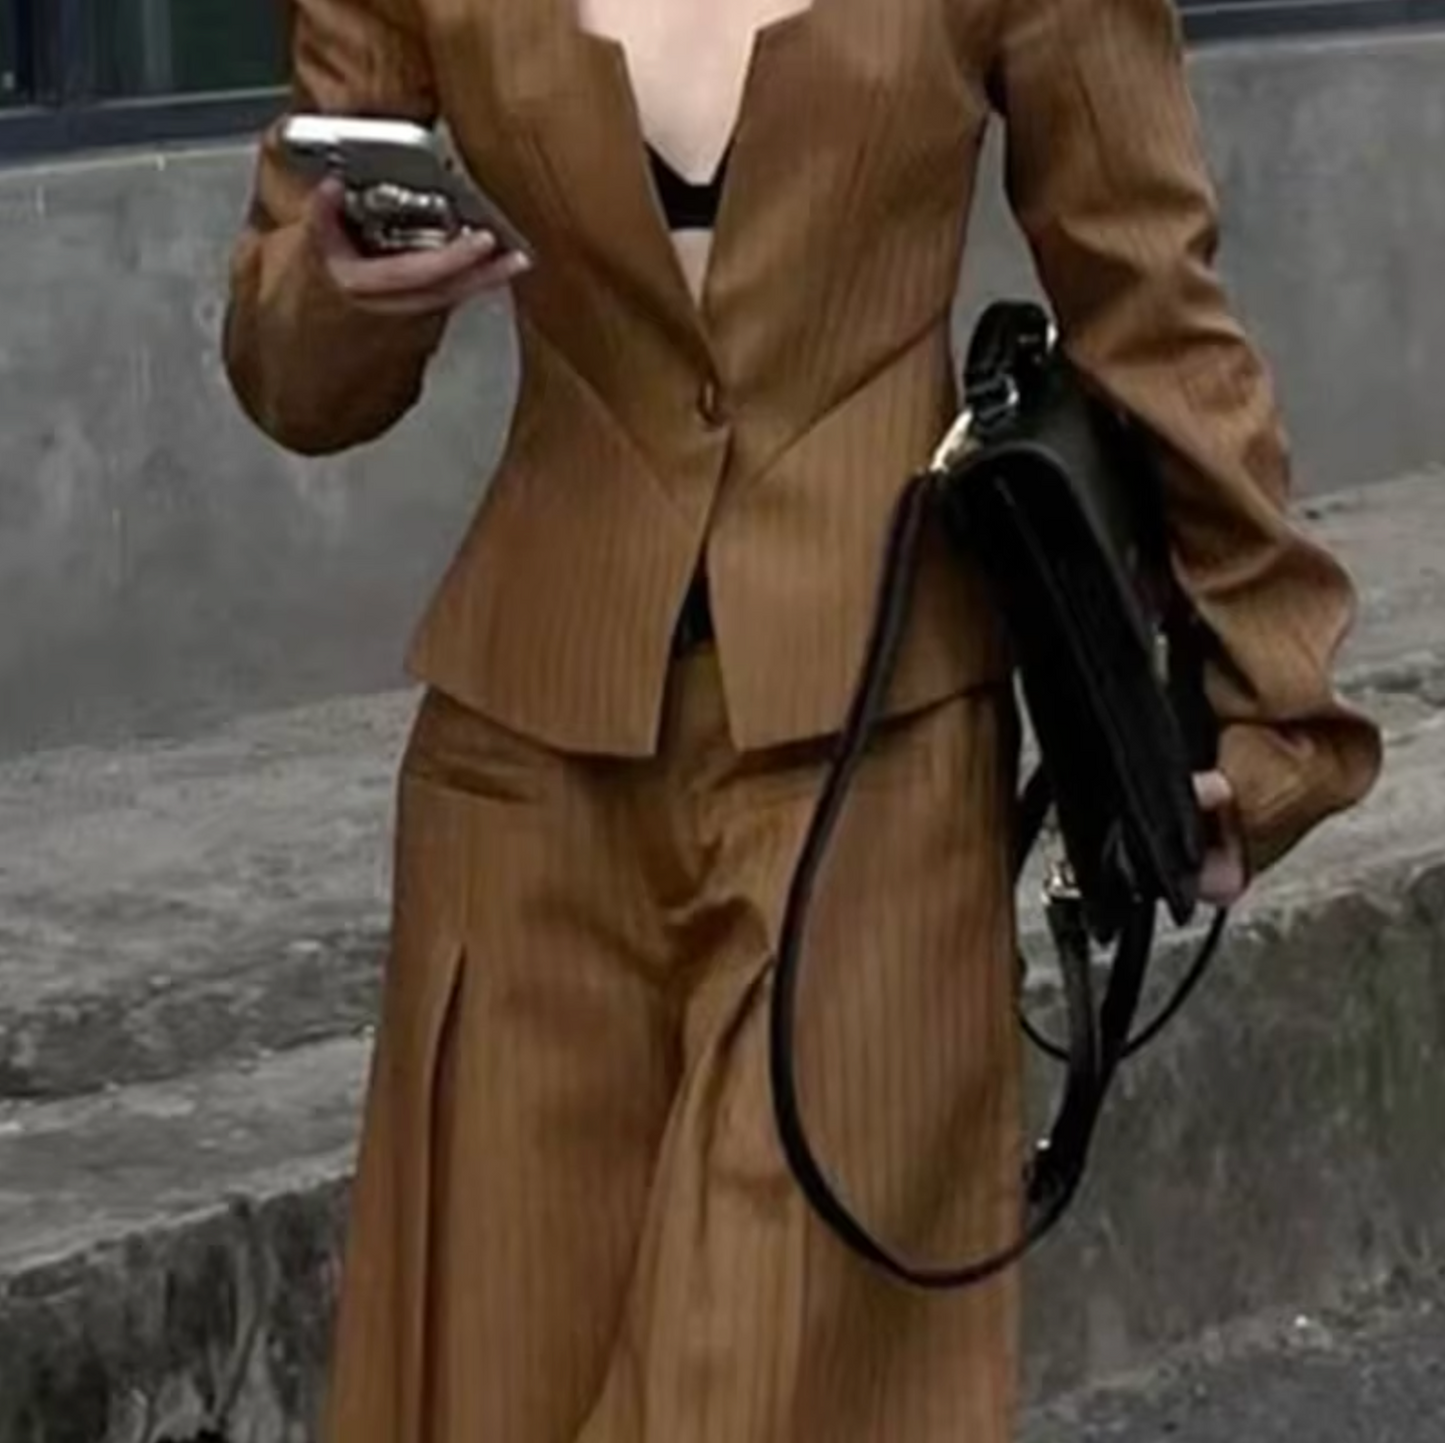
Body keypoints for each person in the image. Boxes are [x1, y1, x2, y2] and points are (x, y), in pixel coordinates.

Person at [223, 0, 1382, 1438]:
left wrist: (1270, 713)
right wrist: (336, 287)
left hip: (872, 750)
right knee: (488, 1389)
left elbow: (1146, 300)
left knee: (766, 1389)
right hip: (525, 759)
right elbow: (289, 375)